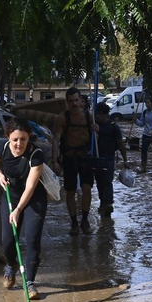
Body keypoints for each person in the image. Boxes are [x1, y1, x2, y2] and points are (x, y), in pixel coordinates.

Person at [0, 118, 48, 300]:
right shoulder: (2, 149)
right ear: (8, 138)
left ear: (29, 137)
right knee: (7, 240)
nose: (19, 144)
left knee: (32, 240)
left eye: (23, 139)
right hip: (10, 197)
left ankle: (30, 282)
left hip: (33, 200)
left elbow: (30, 186)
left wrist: (18, 209)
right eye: (15, 139)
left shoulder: (36, 155)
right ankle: (11, 265)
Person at [52, 87, 99, 236]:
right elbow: (56, 140)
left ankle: (84, 219)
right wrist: (55, 161)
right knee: (70, 191)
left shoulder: (88, 116)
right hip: (69, 157)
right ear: (67, 102)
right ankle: (73, 222)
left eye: (76, 100)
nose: (74, 104)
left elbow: (96, 139)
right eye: (71, 101)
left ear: (81, 101)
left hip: (85, 157)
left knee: (86, 189)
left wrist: (96, 130)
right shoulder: (62, 118)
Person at [94, 103, 128, 216]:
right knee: (99, 182)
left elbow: (120, 143)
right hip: (97, 158)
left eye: (100, 114)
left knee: (107, 180)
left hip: (109, 158)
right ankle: (103, 202)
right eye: (96, 113)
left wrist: (125, 159)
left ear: (105, 115)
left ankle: (108, 203)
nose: (97, 116)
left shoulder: (113, 127)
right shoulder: (94, 126)